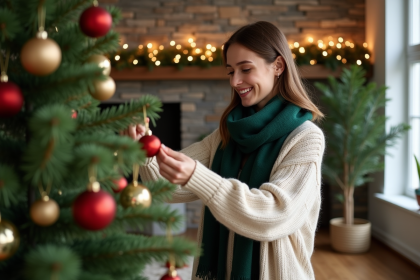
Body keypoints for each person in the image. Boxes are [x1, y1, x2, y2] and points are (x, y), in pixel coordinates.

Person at [121, 21, 325, 280]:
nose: (236, 81)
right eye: (230, 71)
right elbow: (167, 189)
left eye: (245, 69)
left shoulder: (306, 138)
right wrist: (147, 151)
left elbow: (275, 214)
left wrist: (198, 176)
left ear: (278, 66)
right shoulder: (228, 133)